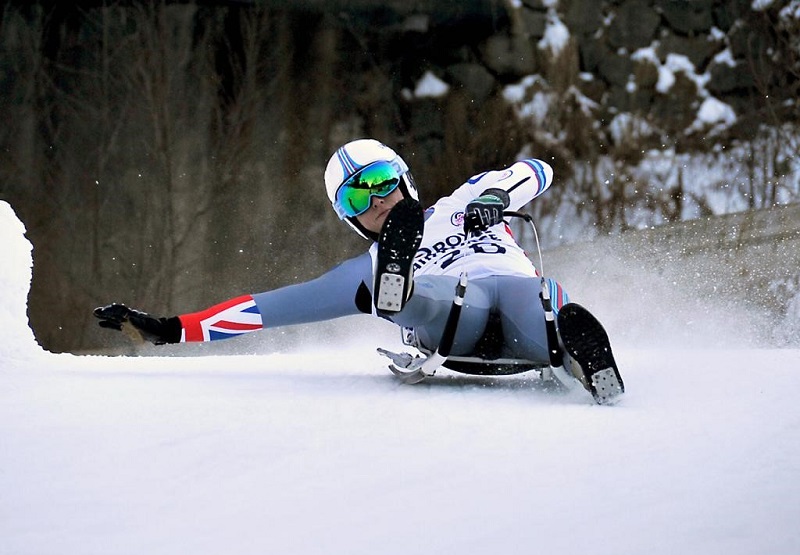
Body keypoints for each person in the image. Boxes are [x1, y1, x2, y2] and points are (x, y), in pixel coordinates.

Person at [94, 139, 624, 401]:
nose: (375, 200)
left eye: (380, 182)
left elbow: (538, 169)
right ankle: (401, 289)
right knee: (440, 297)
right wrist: (172, 328)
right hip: (446, 311)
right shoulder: (365, 268)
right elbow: (271, 307)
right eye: (357, 195)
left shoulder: (462, 202)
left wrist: (492, 196)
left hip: (510, 287)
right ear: (348, 216)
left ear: (405, 180)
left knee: (534, 304)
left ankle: (584, 356)